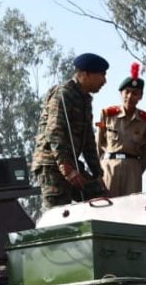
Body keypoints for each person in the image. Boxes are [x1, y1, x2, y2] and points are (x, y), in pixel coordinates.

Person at [32, 53, 109, 208]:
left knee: (100, 198)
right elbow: (54, 132)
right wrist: (67, 170)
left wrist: (97, 174)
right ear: (86, 75)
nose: (104, 81)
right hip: (52, 165)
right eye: (101, 75)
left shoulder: (84, 99)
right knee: (57, 214)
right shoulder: (64, 94)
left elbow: (88, 142)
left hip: (70, 164)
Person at [97, 63, 146, 197]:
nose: (130, 96)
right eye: (127, 92)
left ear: (140, 96)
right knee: (108, 207)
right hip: (109, 167)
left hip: (133, 168)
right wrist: (97, 172)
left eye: (134, 93)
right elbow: (98, 145)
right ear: (120, 94)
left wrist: (137, 169)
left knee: (130, 210)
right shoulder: (107, 114)